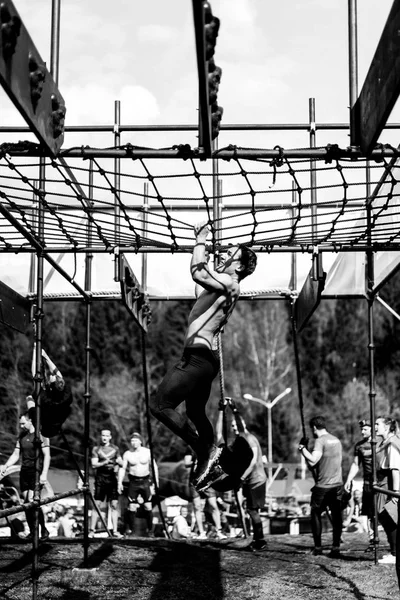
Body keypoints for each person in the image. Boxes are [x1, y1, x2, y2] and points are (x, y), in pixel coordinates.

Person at [151, 222, 257, 489]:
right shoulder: (220, 286)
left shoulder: (231, 284)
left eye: (230, 254)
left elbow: (198, 275)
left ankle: (206, 452)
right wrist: (203, 252)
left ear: (240, 267)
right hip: (204, 359)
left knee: (159, 405)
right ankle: (214, 463)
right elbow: (201, 283)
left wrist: (200, 240)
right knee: (196, 412)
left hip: (198, 358)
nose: (224, 254)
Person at [0, 410, 50, 540]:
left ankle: (43, 529)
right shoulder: (22, 437)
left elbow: (47, 456)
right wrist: (6, 466)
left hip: (36, 472)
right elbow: (16, 454)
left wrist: (44, 474)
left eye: (23, 423)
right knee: (27, 503)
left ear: (30, 421)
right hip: (25, 472)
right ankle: (33, 531)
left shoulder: (41, 436)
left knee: (34, 501)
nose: (21, 426)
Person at [298, 415, 343, 558]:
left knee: (315, 514)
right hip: (337, 484)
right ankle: (335, 547)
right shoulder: (336, 440)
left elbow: (313, 460)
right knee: (336, 516)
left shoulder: (320, 440)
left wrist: (302, 449)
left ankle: (318, 547)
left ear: (314, 428)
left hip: (323, 486)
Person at [232, 415, 267, 552]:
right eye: (232, 426)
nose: (234, 429)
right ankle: (257, 539)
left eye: (236, 426)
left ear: (242, 425)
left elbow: (252, 462)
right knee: (252, 509)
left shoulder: (249, 439)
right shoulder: (241, 439)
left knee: (252, 510)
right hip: (250, 480)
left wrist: (241, 477)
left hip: (256, 479)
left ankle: (260, 540)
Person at [28, 344, 73, 438]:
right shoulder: (66, 394)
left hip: (46, 428)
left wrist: (35, 353)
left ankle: (33, 427)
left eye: (51, 378)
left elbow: (34, 376)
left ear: (52, 389)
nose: (51, 375)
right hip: (56, 422)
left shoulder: (46, 400)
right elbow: (58, 374)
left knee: (30, 401)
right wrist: (45, 355)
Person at [118, 432, 158, 537]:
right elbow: (122, 468)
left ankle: (150, 531)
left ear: (140, 441)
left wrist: (156, 483)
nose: (133, 443)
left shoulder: (147, 452)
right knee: (131, 507)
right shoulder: (127, 454)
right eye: (132, 441)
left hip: (145, 481)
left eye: (135, 440)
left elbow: (154, 467)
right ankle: (130, 529)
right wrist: (119, 482)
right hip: (133, 482)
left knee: (148, 506)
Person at [344, 419, 375, 550]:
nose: (362, 431)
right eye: (361, 429)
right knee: (369, 513)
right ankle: (373, 539)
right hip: (367, 484)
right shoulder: (359, 446)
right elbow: (356, 464)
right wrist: (348, 479)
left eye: (365, 429)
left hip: (382, 484)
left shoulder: (381, 443)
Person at [375, 416, 400, 565]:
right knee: (384, 517)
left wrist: (395, 493)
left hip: (389, 483)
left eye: (378, 424)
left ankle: (395, 553)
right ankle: (393, 551)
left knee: (389, 516)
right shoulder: (384, 442)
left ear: (387, 427)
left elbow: (395, 470)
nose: (375, 426)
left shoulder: (392, 442)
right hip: (383, 481)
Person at [90, 429, 123, 538]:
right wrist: (105, 462)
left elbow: (121, 462)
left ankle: (115, 531)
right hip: (100, 478)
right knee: (97, 505)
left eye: (106, 435)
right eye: (103, 435)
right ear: (101, 437)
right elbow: (94, 464)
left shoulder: (115, 449)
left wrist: (120, 462)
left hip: (112, 478)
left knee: (114, 505)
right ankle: (92, 530)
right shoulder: (96, 449)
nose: (104, 437)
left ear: (110, 437)